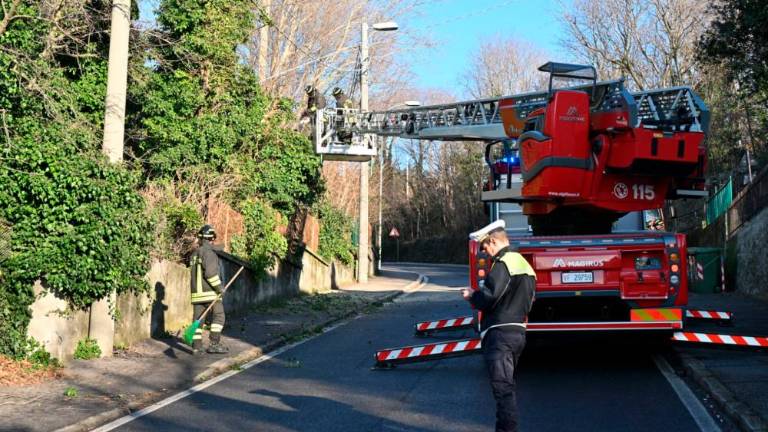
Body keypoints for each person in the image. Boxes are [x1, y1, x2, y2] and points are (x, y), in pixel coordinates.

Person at [461, 220, 536, 432]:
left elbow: (489, 297)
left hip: (499, 334)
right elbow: (530, 300)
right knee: (506, 386)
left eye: (485, 247)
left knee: (503, 390)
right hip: (517, 333)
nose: (486, 252)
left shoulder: (503, 264)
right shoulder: (524, 264)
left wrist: (472, 296)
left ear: (494, 241)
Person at [189, 224, 228, 354]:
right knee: (219, 316)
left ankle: (196, 347)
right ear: (212, 239)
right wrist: (219, 288)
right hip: (210, 293)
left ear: (200, 238)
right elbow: (210, 274)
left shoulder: (194, 254)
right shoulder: (209, 253)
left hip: (197, 294)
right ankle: (214, 344)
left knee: (198, 320)